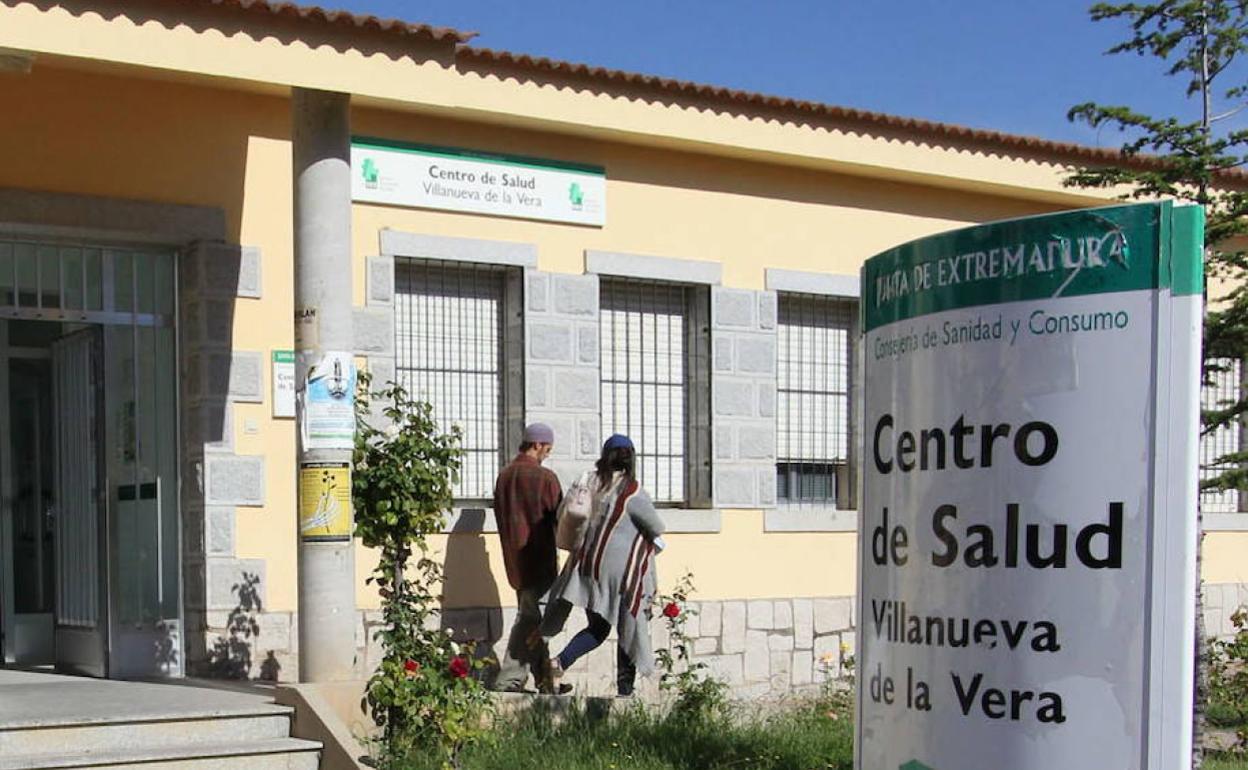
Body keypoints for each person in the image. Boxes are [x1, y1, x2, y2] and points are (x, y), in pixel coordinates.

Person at [541, 434, 667, 697]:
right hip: (621, 576)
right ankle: (625, 691)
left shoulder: (590, 483)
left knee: (598, 628)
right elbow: (656, 526)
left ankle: (559, 662)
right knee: (628, 626)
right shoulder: (632, 492)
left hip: (587, 568)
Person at [491, 422, 562, 692]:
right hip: (540, 558)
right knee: (530, 618)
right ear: (537, 444)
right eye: (547, 448)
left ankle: (545, 681)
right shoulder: (546, 479)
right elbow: (559, 519)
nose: (547, 454)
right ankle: (510, 677)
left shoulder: (504, 476)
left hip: (514, 559)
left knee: (533, 615)